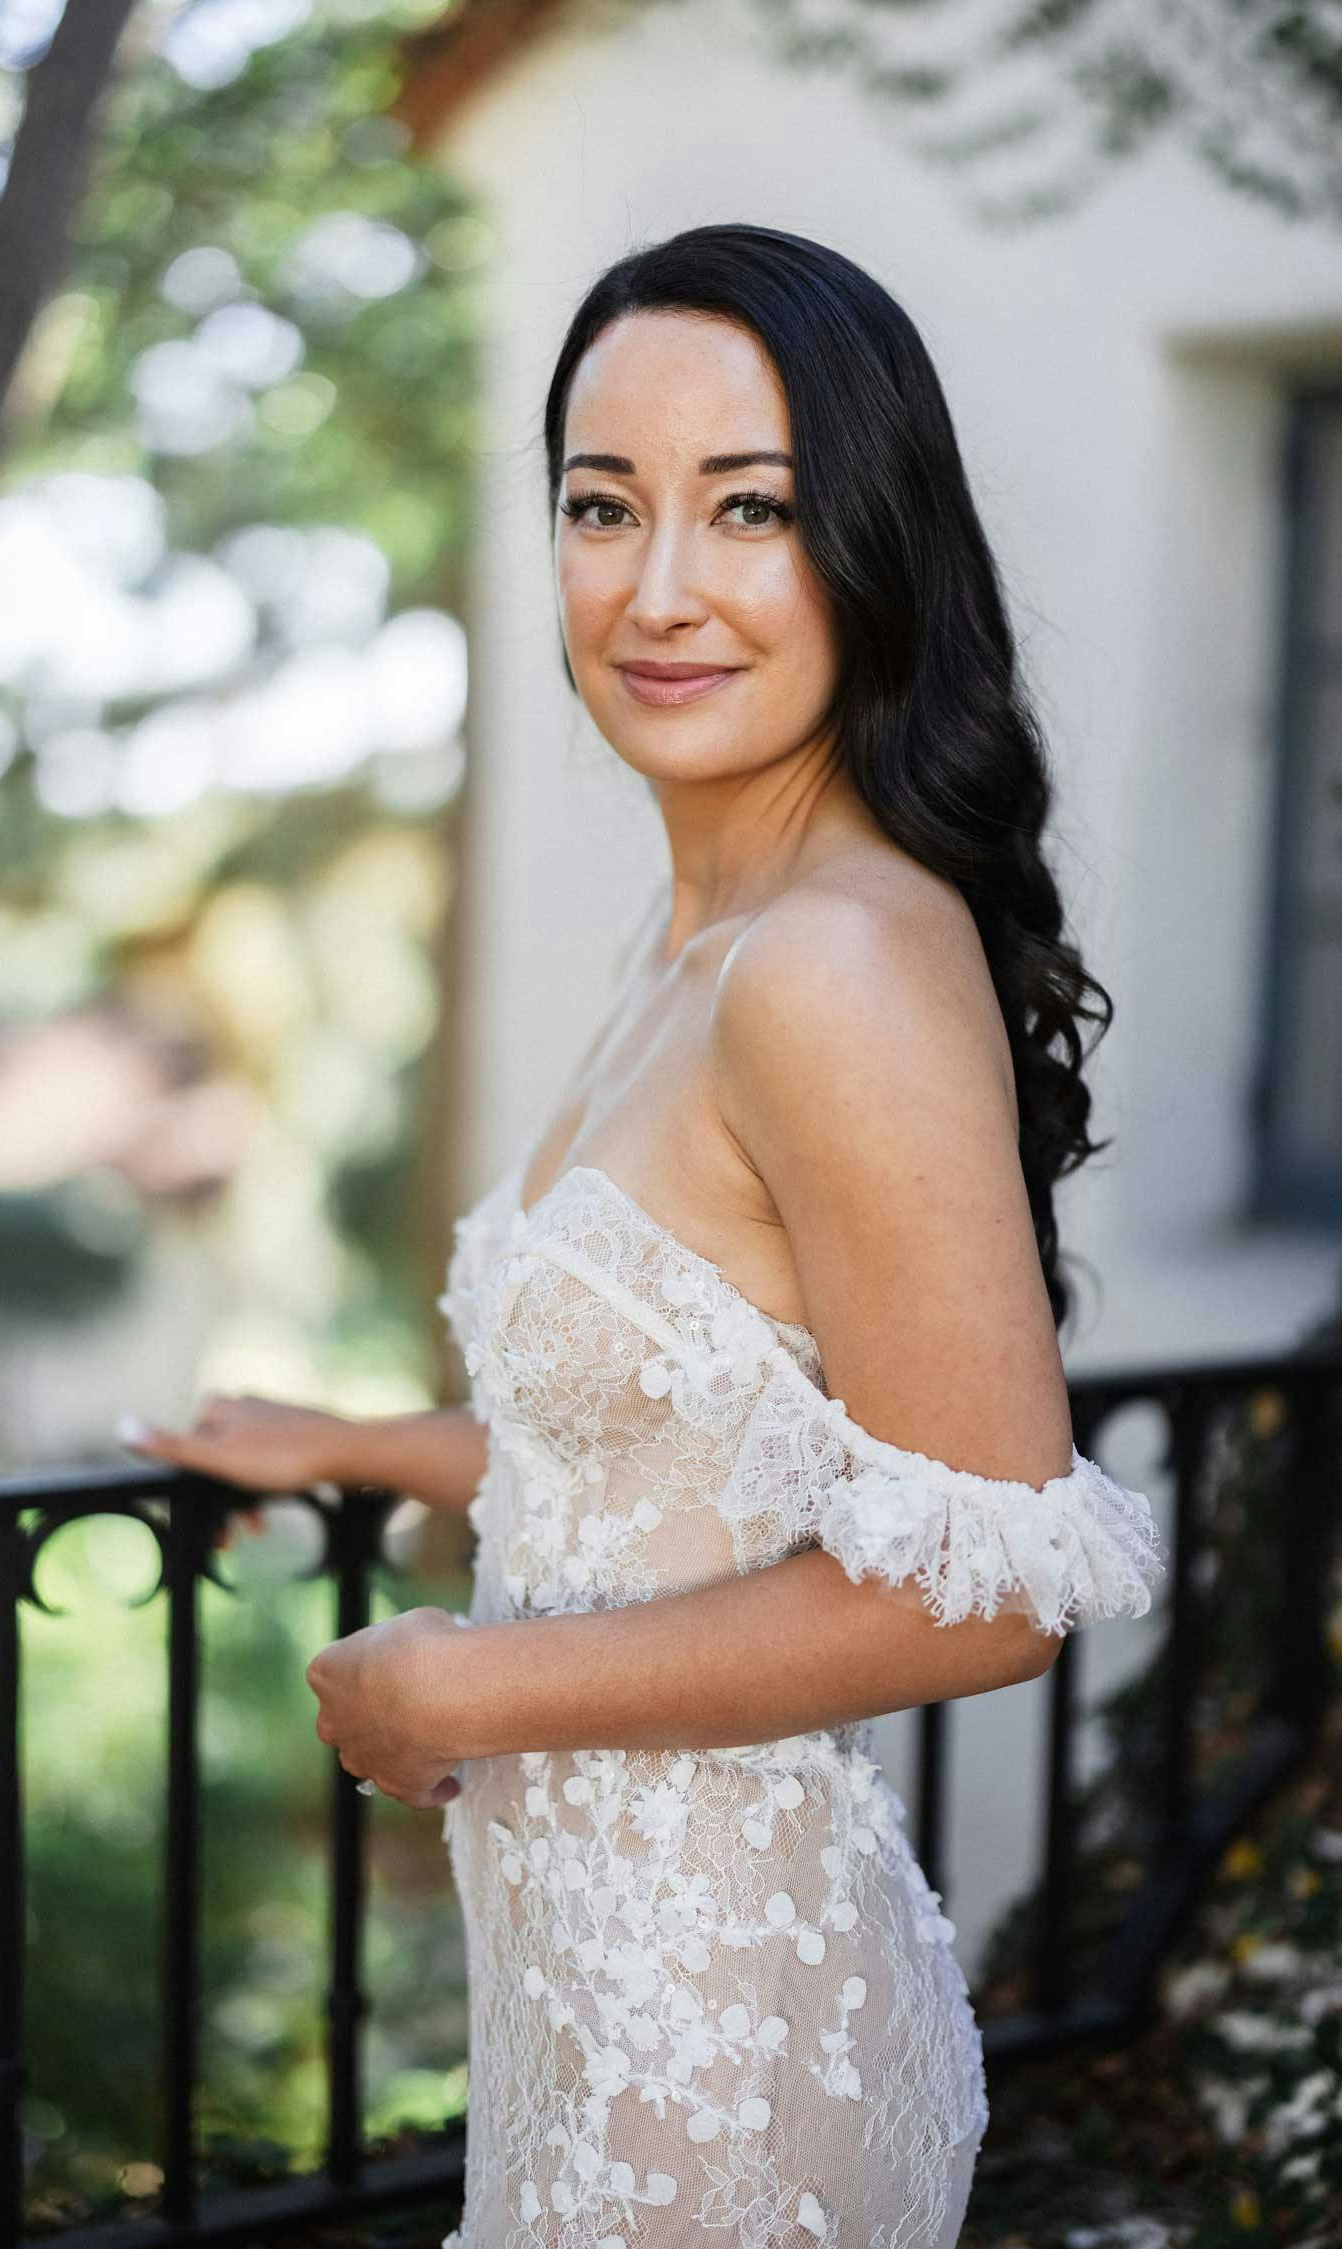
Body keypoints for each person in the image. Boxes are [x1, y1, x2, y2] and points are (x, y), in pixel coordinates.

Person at [120, 223, 1168, 2248]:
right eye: (604, 506)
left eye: (749, 511)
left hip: (726, 2058)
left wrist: (461, 1699)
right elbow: (687, 1464)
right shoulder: (694, 938)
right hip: (598, 2010)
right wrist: (360, 1449)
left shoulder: (833, 966)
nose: (657, 589)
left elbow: (987, 1589)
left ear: (869, 549)